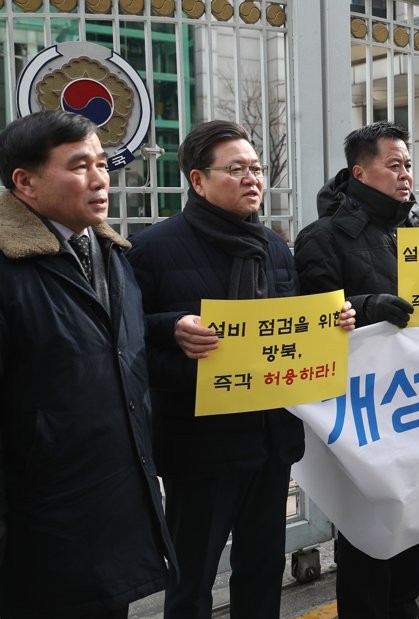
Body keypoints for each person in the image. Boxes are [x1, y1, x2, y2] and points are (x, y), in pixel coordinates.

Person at [128, 120, 353, 619]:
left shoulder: (273, 247)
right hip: (200, 446)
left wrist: (332, 323)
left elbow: (289, 332)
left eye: (256, 168)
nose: (252, 178)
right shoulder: (154, 248)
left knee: (261, 566)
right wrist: (171, 329)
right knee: (192, 574)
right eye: (236, 169)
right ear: (197, 179)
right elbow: (128, 343)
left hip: (269, 440)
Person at [0, 110, 175, 617]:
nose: (100, 179)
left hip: (106, 516)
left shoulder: (108, 252)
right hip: (37, 532)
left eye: (102, 163)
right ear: (25, 182)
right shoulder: (10, 269)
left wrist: (171, 330)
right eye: (79, 166)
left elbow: (108, 353)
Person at [294, 121, 419, 619]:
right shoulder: (322, 237)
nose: (405, 174)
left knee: (415, 503)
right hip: (361, 407)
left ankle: (405, 602)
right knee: (367, 516)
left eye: (408, 164)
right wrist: (369, 306)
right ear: (359, 172)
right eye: (393, 165)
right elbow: (315, 316)